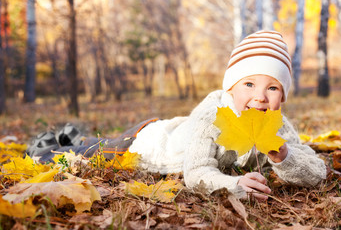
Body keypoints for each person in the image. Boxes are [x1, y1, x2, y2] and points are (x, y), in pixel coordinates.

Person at [26, 30, 326, 201]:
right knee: (98, 151)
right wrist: (234, 186)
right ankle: (49, 149)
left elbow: (317, 172)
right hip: (147, 143)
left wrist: (285, 158)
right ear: (231, 88)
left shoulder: (278, 127)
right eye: (249, 84)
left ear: (283, 96)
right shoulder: (213, 115)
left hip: (167, 129)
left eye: (273, 87)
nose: (260, 96)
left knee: (101, 142)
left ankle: (74, 135)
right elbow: (195, 173)